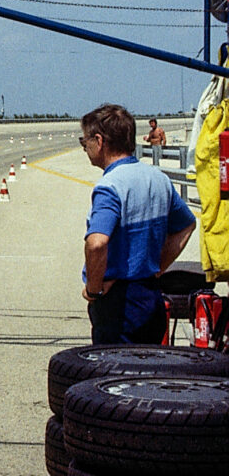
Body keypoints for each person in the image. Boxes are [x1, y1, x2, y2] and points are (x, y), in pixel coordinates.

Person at [81, 104, 195, 344]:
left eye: (85, 142)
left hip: (118, 304)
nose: (86, 148)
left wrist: (93, 289)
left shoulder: (109, 187)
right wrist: (157, 267)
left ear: (99, 141)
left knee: (116, 376)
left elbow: (97, 243)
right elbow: (187, 225)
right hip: (150, 296)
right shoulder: (159, 179)